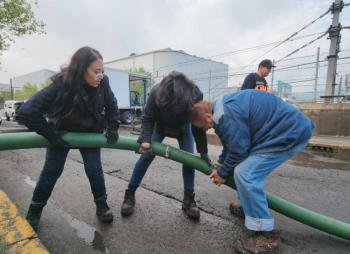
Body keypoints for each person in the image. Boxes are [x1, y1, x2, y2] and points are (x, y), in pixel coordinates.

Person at [189, 90, 314, 253]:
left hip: (289, 133)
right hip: (283, 129)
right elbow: (231, 142)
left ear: (207, 117)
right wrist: (222, 162)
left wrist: (223, 172)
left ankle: (266, 233)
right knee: (239, 168)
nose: (205, 130)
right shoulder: (221, 107)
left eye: (203, 127)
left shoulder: (226, 116)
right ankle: (248, 208)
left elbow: (239, 150)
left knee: (245, 174)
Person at [17, 46, 120, 230]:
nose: (101, 75)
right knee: (51, 171)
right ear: (81, 69)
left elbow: (112, 104)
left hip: (90, 133)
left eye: (102, 71)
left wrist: (113, 127)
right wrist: (51, 135)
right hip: (62, 133)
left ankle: (102, 206)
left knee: (94, 169)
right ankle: (35, 209)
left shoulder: (103, 82)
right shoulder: (62, 83)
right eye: (96, 71)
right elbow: (27, 112)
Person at [121, 71, 210, 220]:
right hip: (160, 126)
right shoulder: (156, 91)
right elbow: (148, 117)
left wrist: (203, 151)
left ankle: (189, 199)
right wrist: (145, 139)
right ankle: (129, 194)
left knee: (189, 161)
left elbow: (197, 124)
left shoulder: (195, 93)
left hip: (184, 128)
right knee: (146, 156)